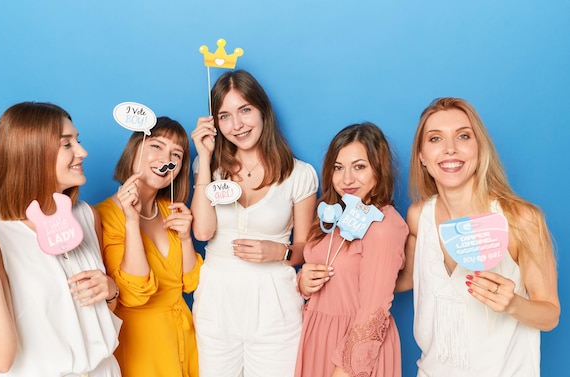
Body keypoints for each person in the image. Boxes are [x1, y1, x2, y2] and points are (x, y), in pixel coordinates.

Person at [0, 102, 122, 376]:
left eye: (78, 141)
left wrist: (111, 290)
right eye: (67, 145)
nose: (82, 152)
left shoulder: (87, 216)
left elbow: (101, 313)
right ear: (31, 153)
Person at [396, 97, 560, 376]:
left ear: (480, 148)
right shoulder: (418, 216)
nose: (450, 149)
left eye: (463, 136)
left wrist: (513, 303)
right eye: (435, 139)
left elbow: (550, 315)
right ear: (422, 156)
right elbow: (403, 281)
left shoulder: (521, 219)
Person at [190, 69, 318, 377]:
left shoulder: (299, 175)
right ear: (215, 123)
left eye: (245, 110)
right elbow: (203, 232)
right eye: (225, 115)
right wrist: (204, 160)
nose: (237, 125)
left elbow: (305, 250)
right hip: (217, 303)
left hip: (275, 305)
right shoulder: (207, 168)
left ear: (263, 111)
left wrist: (278, 253)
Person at [295, 123, 408, 377]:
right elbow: (324, 271)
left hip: (354, 351)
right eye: (338, 168)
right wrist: (304, 282)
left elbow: (373, 311)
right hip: (318, 337)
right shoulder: (332, 216)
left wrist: (345, 370)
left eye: (359, 167)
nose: (346, 179)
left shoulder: (383, 226)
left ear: (379, 170)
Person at [96, 116, 203, 377]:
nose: (167, 159)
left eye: (176, 154)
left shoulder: (171, 210)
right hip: (140, 348)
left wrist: (187, 238)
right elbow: (133, 293)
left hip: (186, 341)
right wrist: (131, 222)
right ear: (135, 149)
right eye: (156, 146)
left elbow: (192, 283)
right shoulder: (103, 215)